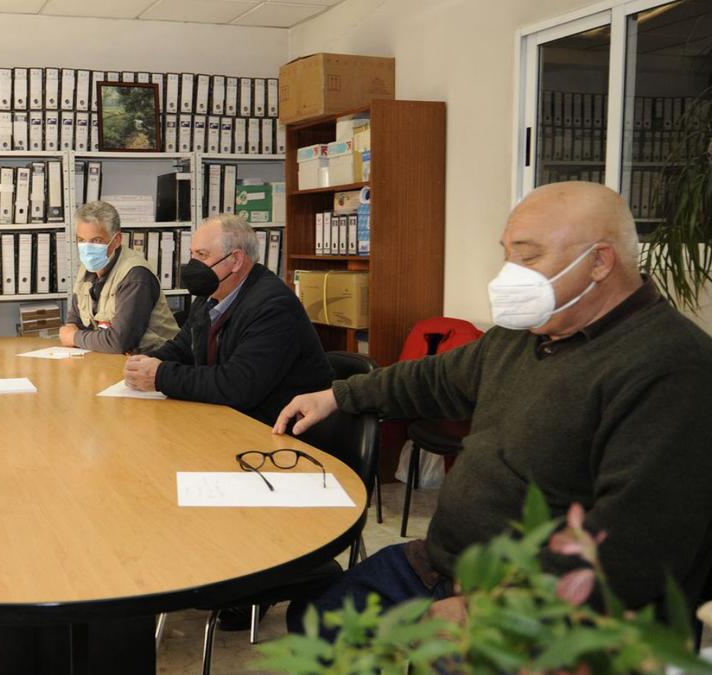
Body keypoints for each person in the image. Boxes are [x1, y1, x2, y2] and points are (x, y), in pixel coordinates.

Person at [275, 182, 712, 634]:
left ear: (600, 262)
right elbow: (433, 378)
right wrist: (336, 396)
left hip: (550, 616)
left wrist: (486, 612)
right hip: (443, 565)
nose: (509, 274)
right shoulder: (528, 334)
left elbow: (635, 549)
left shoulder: (671, 369)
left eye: (528, 256)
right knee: (314, 621)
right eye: (507, 255)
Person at [124, 214, 334, 433]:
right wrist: (148, 363)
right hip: (229, 422)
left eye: (202, 255)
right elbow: (184, 346)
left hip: (280, 435)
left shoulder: (273, 306)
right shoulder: (210, 296)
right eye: (192, 254)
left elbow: (238, 385)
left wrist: (161, 376)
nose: (192, 265)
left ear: (236, 260)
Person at [60, 201, 179, 353]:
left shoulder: (135, 276)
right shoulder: (87, 268)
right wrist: (75, 332)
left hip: (155, 362)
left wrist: (74, 337)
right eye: (81, 240)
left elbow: (119, 342)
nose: (87, 249)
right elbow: (74, 321)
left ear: (116, 240)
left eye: (96, 240)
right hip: (112, 360)